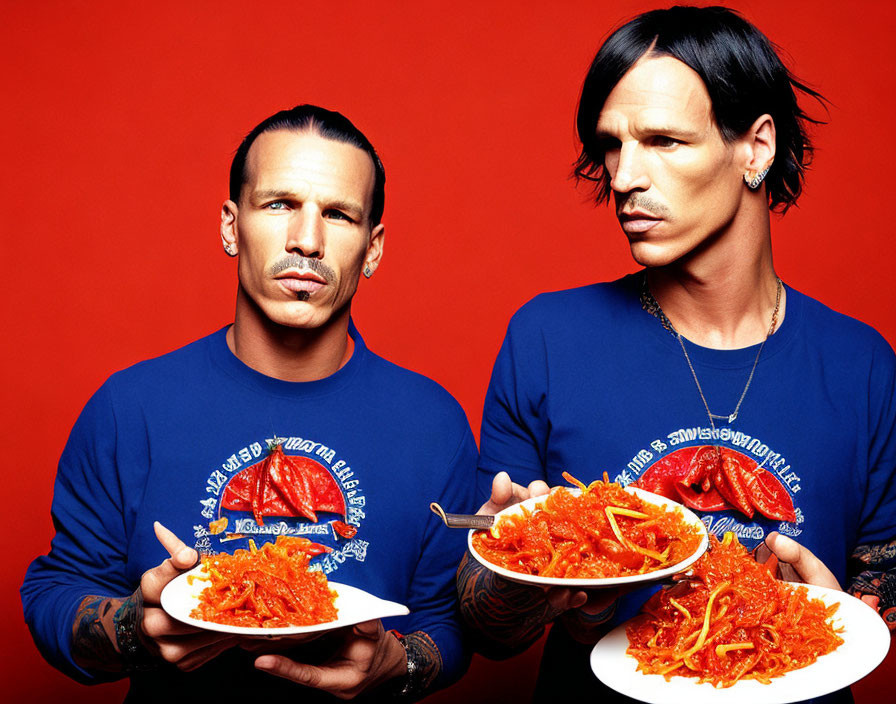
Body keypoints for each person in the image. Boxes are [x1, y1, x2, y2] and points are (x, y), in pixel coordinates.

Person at [458, 6, 896, 702]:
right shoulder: (547, 338)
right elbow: (484, 626)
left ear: (755, 148)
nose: (625, 177)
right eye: (612, 144)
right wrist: (526, 575)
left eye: (663, 140)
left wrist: (837, 613)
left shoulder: (864, 367)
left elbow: (882, 588)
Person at [22, 104, 477, 702]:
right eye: (280, 204)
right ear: (232, 227)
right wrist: (138, 626)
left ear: (373, 248)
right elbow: (56, 593)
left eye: (338, 215)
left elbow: (449, 624)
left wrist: (401, 663)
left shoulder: (433, 422)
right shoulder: (129, 406)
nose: (307, 241)